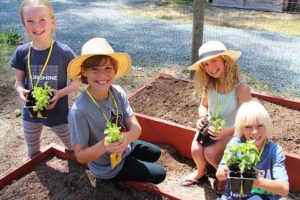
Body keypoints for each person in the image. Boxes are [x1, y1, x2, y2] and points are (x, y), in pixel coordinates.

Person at [67, 37, 166, 184]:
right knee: (160, 174)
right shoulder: (79, 111)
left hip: (124, 146)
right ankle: (113, 179)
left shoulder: (117, 92)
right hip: (107, 166)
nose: (102, 75)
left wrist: (127, 138)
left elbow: (136, 128)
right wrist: (104, 145)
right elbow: (80, 156)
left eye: (108, 68)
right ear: (84, 72)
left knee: (155, 152)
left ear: (115, 70)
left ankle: (130, 159)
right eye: (95, 69)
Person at [10, 0, 80, 158]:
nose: (37, 26)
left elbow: (76, 81)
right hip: (32, 107)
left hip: (58, 110)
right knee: (33, 149)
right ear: (24, 24)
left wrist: (60, 93)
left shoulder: (64, 51)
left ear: (52, 21)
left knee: (72, 146)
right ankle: (34, 160)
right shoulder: (22, 52)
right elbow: (19, 81)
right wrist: (20, 90)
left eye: (42, 19)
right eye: (30, 21)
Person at [179, 41, 252, 194]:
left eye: (214, 60)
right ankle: (201, 171)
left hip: (234, 129)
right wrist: (203, 117)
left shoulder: (241, 87)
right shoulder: (210, 84)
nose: (210, 67)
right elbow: (203, 105)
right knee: (196, 150)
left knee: (210, 153)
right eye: (205, 64)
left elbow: (248, 118)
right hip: (212, 127)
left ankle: (226, 176)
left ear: (225, 60)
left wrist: (226, 132)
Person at [216, 100, 289, 199]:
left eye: (260, 125)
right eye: (248, 127)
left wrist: (257, 181)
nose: (254, 132)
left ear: (267, 125)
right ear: (241, 128)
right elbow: (219, 175)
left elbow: (284, 189)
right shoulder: (236, 144)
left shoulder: (274, 150)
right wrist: (227, 170)